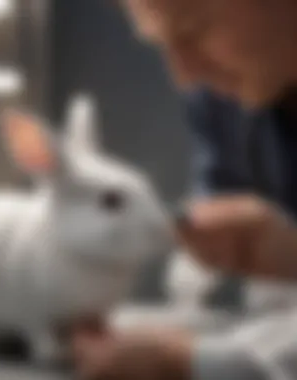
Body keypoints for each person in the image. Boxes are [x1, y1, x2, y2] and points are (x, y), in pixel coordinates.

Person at [68, 1, 297, 379]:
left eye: (194, 29)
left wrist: (191, 362)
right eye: (161, 42)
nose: (184, 75)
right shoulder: (228, 93)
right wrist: (287, 254)